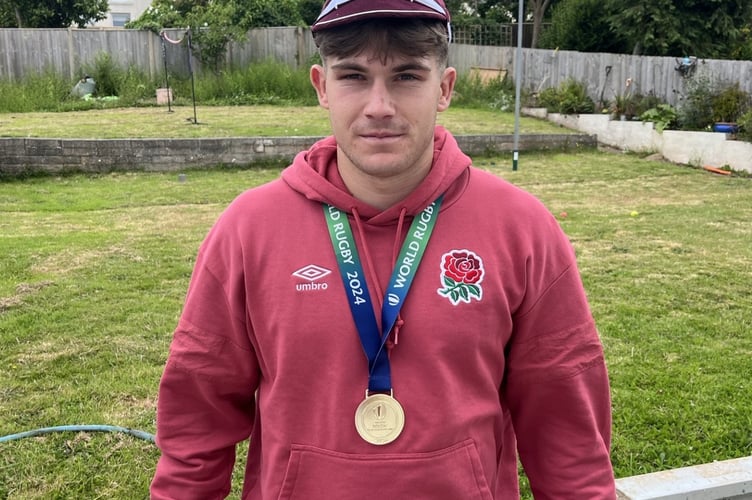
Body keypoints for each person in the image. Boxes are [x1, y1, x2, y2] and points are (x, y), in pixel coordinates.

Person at [150, 0, 616, 498]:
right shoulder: (248, 229)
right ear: (321, 87)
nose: (379, 106)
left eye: (407, 76)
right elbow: (197, 422)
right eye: (353, 75)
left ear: (445, 88)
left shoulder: (521, 229)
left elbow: (568, 438)